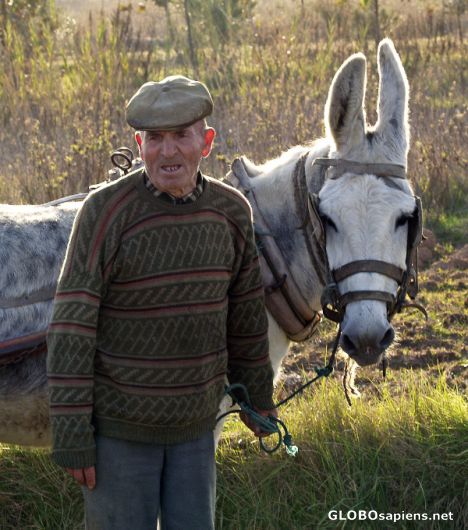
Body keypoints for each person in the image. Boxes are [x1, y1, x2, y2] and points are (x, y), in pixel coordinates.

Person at [47, 75, 276, 530]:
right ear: (138, 143)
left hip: (196, 433)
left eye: (181, 136)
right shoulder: (105, 212)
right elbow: (71, 329)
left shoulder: (231, 213)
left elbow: (246, 320)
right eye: (155, 138)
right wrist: (72, 433)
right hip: (119, 437)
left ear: (205, 142)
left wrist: (259, 400)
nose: (167, 152)